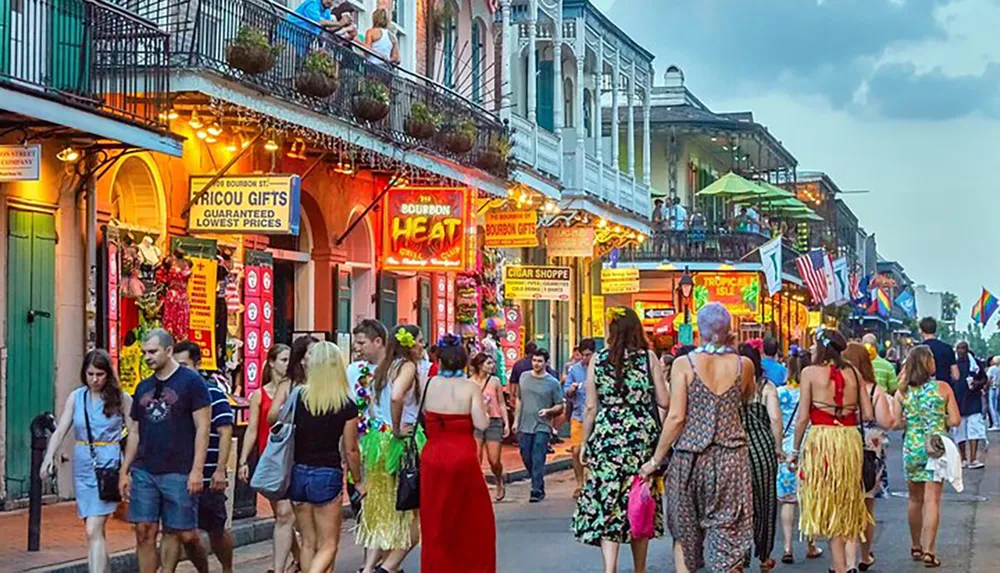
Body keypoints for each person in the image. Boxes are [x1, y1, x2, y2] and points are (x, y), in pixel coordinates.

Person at [640, 303, 755, 573]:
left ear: (698, 332)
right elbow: (746, 399)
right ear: (729, 331)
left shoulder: (684, 364)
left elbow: (677, 416)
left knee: (684, 534)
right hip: (730, 459)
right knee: (728, 533)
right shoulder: (744, 365)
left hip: (690, 459)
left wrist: (655, 460)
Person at [571, 308, 668, 573]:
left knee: (608, 500)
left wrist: (586, 442)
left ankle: (609, 566)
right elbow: (664, 401)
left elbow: (591, 406)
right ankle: (639, 568)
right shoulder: (647, 359)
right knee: (640, 498)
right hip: (640, 436)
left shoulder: (598, 360)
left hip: (607, 434)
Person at [119, 329, 211, 573]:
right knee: (144, 531)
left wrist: (197, 470)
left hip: (179, 469)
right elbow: (135, 431)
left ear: (168, 351)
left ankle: (204, 569)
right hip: (145, 469)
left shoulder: (192, 383)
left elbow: (203, 427)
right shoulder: (143, 387)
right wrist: (124, 470)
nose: (147, 357)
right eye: (144, 353)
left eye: (152, 352)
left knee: (185, 534)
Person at [269, 341, 361, 573]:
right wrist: (358, 480)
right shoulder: (345, 403)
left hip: (298, 472)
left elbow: (279, 422)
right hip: (327, 473)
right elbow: (350, 449)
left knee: (308, 542)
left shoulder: (299, 396)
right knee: (329, 544)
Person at [789, 329, 875, 573]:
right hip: (848, 442)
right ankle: (842, 564)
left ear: (823, 348)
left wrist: (794, 451)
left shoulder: (809, 373)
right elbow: (867, 414)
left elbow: (803, 417)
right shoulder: (854, 373)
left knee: (828, 507)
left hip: (822, 441)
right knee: (846, 504)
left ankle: (839, 567)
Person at [41, 350, 132, 573]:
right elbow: (61, 429)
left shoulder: (121, 398)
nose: (94, 379)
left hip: (109, 465)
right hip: (83, 465)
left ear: (108, 374)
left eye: (99, 374)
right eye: (90, 374)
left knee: (93, 529)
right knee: (93, 531)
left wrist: (128, 469)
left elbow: (136, 434)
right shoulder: (77, 397)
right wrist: (48, 457)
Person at [419, 335, 495, 572]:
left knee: (435, 521)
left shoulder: (427, 384)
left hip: (432, 456)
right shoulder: (470, 387)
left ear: (439, 360)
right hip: (462, 457)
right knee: (470, 519)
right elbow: (482, 424)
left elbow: (422, 413)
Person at [357, 324, 425, 573]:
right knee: (411, 513)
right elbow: (397, 397)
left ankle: (369, 568)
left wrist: (384, 426)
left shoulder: (384, 368)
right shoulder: (406, 367)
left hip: (378, 440)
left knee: (382, 510)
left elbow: (373, 406)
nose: (422, 347)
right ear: (409, 344)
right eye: (419, 342)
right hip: (399, 443)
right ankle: (387, 568)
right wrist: (396, 428)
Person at [894, 345, 961, 568]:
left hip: (912, 447)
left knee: (914, 499)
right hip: (936, 447)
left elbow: (896, 422)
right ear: (928, 363)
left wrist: (911, 419)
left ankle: (915, 545)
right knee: (932, 500)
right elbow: (955, 420)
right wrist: (938, 419)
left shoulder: (902, 391)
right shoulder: (943, 388)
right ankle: (930, 551)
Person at [174, 342, 236, 573]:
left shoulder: (213, 392)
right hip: (180, 473)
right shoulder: (173, 393)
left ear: (197, 365)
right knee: (186, 535)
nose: (180, 371)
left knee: (216, 530)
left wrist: (220, 469)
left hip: (209, 474)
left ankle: (227, 568)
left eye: (184, 365)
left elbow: (225, 431)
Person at [237, 344, 299, 573]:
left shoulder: (296, 390)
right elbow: (252, 428)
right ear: (272, 362)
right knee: (282, 514)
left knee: (288, 516)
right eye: (283, 359)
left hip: (294, 456)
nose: (287, 364)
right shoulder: (259, 395)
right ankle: (294, 561)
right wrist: (243, 459)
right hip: (271, 459)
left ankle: (287, 564)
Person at [842, 342, 897, 571]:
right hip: (870, 451)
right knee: (866, 505)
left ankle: (845, 556)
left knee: (844, 502)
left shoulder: (840, 387)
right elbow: (886, 422)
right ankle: (864, 555)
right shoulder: (875, 390)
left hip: (842, 445)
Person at [738, 343, 783, 572]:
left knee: (739, 506)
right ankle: (764, 555)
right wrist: (778, 447)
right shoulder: (765, 387)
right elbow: (775, 419)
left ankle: (739, 556)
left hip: (736, 450)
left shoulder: (730, 387)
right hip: (762, 449)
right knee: (764, 504)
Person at [775, 352, 822, 564]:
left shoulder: (779, 393)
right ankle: (810, 543)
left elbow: (774, 421)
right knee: (809, 497)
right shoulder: (814, 393)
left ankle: (787, 546)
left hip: (785, 449)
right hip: (810, 446)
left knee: (787, 500)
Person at [513, 347, 564, 503]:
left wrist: (549, 411)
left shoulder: (552, 382)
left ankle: (535, 489)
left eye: (540, 361)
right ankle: (538, 481)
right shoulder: (524, 377)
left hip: (542, 425)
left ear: (546, 363)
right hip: (524, 424)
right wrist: (516, 421)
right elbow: (519, 400)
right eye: (534, 360)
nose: (536, 364)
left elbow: (559, 405)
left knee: (538, 456)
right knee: (526, 455)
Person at [469, 352, 510, 501]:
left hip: (494, 420)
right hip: (476, 421)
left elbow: (501, 403)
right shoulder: (470, 382)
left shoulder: (495, 381)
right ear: (480, 365)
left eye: (492, 363)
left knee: (494, 460)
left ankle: (499, 479)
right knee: (476, 457)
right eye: (489, 363)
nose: (492, 366)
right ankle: (479, 487)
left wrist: (506, 422)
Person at [564, 338, 596, 499]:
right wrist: (570, 389)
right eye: (582, 355)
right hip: (579, 415)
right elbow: (566, 390)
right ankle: (579, 483)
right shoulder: (574, 370)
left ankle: (593, 481)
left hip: (597, 417)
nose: (585, 358)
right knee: (576, 450)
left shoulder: (600, 368)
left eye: (588, 355)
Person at [953, 341, 987, 468]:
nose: (960, 351)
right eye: (958, 348)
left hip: (973, 399)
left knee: (974, 429)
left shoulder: (975, 364)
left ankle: (973, 459)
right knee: (959, 431)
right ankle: (963, 459)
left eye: (963, 348)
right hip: (957, 401)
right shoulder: (953, 364)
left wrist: (977, 383)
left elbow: (984, 379)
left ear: (967, 350)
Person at [918, 317, 959, 385]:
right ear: (935, 329)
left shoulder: (917, 350)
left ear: (921, 330)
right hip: (944, 389)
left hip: (924, 390)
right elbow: (956, 376)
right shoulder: (947, 348)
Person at [987, 356, 1000, 430]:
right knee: (998, 407)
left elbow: (988, 379)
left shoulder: (992, 369)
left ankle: (996, 424)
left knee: (993, 406)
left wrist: (985, 387)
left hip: (994, 388)